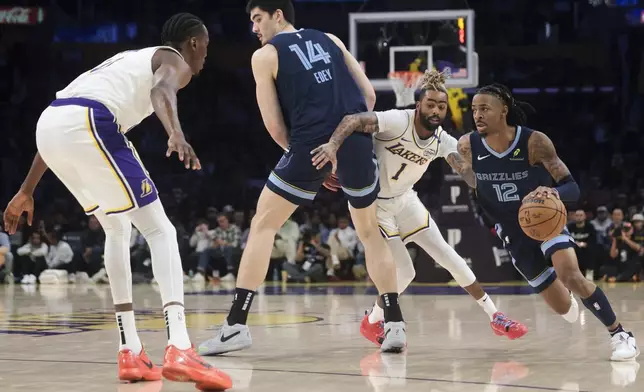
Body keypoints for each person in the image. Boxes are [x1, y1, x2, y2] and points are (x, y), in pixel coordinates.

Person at [2, 13, 232, 390]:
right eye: (205, 46)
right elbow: (162, 92)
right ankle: (179, 346)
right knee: (160, 230)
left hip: (51, 125)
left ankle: (130, 350)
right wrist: (176, 133)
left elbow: (64, 118)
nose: (206, 54)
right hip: (90, 122)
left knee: (117, 226)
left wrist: (27, 189)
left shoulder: (125, 61)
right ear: (193, 42)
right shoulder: (173, 59)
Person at [198, 0, 406, 355]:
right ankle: (395, 324)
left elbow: (274, 125)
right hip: (356, 140)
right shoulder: (331, 39)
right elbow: (369, 96)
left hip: (310, 145)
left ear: (278, 15)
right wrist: (342, 149)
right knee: (370, 233)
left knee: (263, 225)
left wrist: (313, 159)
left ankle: (235, 326)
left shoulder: (264, 56)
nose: (254, 28)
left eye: (257, 18)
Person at [310, 69, 527, 346]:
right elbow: (352, 120)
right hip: (375, 206)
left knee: (450, 256)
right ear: (418, 105)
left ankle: (495, 316)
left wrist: (489, 174)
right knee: (405, 271)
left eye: (441, 105)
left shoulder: (442, 140)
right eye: (430, 104)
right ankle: (376, 320)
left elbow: (466, 173)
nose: (436, 110)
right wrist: (332, 148)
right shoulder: (397, 120)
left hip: (405, 200)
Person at [454, 83, 638, 361]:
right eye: (474, 109)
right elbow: (476, 186)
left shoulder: (533, 142)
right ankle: (569, 295)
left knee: (571, 275)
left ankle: (620, 334)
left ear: (503, 111)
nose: (477, 115)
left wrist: (553, 192)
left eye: (484, 109)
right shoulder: (468, 146)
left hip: (544, 219)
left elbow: (572, 188)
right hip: (513, 233)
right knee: (564, 308)